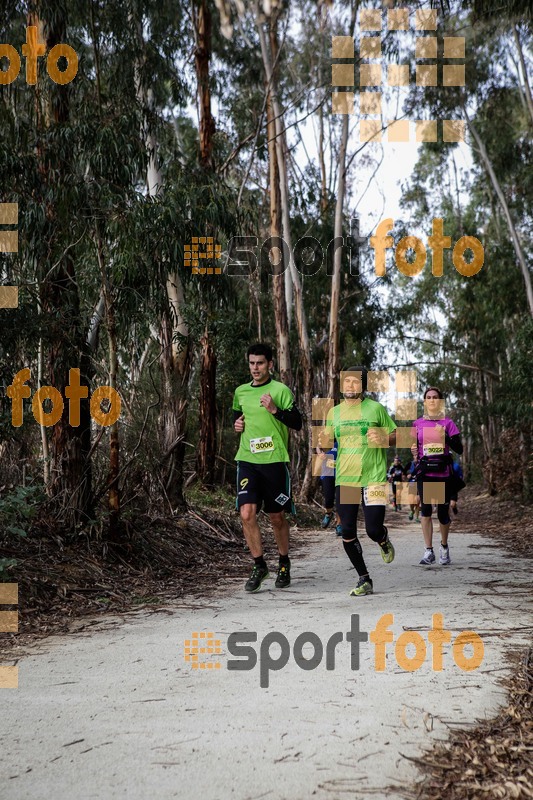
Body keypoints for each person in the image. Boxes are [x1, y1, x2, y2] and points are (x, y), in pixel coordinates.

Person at [318, 366, 397, 596]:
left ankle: (382, 538)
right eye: (346, 381)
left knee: (372, 529)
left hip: (373, 478)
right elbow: (326, 440)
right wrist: (322, 447)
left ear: (362, 386)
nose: (350, 386)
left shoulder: (375, 409)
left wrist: (384, 438)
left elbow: (396, 436)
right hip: (346, 478)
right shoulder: (334, 413)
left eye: (355, 382)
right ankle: (364, 578)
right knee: (347, 530)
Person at [233, 343, 302, 592]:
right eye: (251, 363)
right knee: (246, 513)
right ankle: (259, 565)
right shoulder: (241, 391)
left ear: (270, 364)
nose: (255, 368)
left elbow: (297, 422)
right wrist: (237, 425)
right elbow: (237, 416)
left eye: (260, 363)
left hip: (274, 462)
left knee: (276, 516)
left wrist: (275, 410)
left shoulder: (280, 390)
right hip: (248, 461)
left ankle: (284, 562)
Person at [411, 387, 463, 566]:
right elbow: (416, 448)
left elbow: (460, 449)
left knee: (442, 513)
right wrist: (414, 454)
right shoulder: (417, 424)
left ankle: (444, 546)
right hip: (425, 473)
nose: (432, 400)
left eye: (435, 397)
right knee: (425, 510)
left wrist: (446, 437)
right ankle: (428, 551)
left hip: (442, 473)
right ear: (424, 402)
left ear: (440, 401)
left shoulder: (448, 423)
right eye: (428, 397)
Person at [318, 442, 342, 535]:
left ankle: (339, 525)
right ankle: (328, 513)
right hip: (327, 472)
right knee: (328, 499)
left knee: (341, 501)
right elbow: (318, 445)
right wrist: (320, 453)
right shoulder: (326, 434)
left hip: (342, 472)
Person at [405, 456, 421, 522]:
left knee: (417, 502)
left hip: (419, 484)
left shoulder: (421, 464)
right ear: (413, 457)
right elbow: (404, 471)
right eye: (415, 456)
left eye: (417, 457)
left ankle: (416, 517)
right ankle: (412, 511)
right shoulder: (410, 464)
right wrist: (407, 475)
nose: (416, 458)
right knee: (411, 502)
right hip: (411, 484)